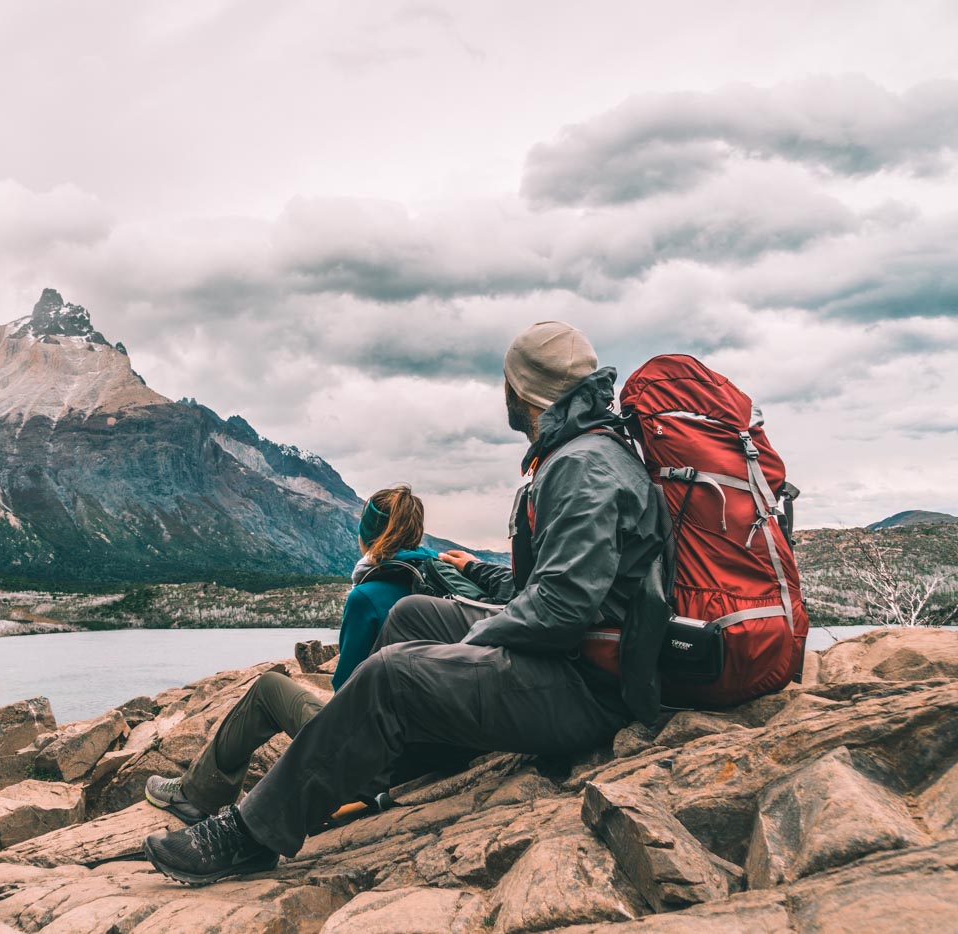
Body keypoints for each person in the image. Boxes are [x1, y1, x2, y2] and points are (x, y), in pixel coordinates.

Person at [143, 320, 668, 886]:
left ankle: (250, 837)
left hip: (586, 688)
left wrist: (469, 646)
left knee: (394, 672)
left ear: (525, 390)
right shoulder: (583, 452)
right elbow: (554, 590)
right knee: (412, 615)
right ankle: (397, 761)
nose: (505, 396)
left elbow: (563, 611)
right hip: (578, 661)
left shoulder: (580, 465)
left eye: (508, 384)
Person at [144, 485, 438, 825]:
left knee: (268, 689)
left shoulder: (368, 597)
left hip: (377, 765)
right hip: (425, 754)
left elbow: (347, 693)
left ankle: (194, 796)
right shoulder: (438, 579)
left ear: (367, 534)